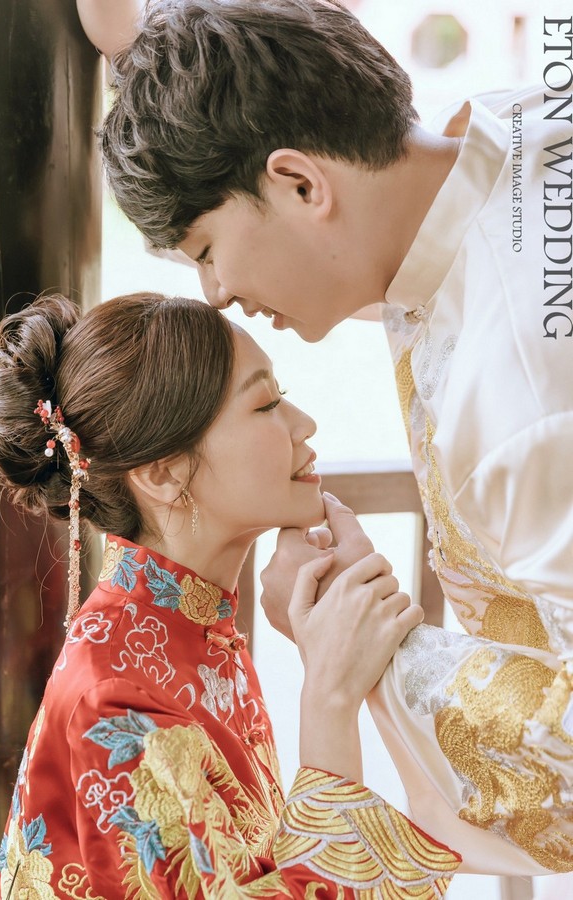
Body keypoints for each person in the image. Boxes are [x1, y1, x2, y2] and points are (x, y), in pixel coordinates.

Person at [85, 0, 573, 877]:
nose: (214, 294)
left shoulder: (524, 393)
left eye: (206, 249)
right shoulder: (500, 137)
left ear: (302, 184)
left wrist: (366, 647)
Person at [0, 292, 462, 898]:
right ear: (162, 474)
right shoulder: (115, 701)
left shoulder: (192, 630)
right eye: (266, 404)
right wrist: (329, 697)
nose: (304, 424)